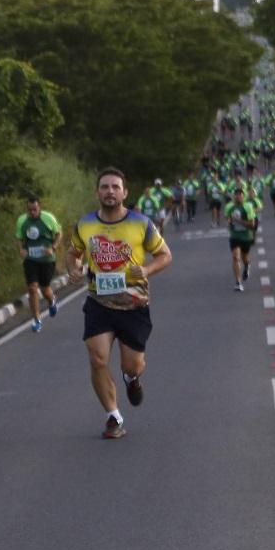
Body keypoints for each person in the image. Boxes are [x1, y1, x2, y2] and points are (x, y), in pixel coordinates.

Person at [68, 167, 174, 439]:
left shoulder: (141, 223)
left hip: (133, 304)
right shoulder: (85, 224)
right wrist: (73, 269)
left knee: (133, 364)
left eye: (115, 187)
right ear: (97, 192)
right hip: (98, 302)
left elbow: (164, 255)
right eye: (105, 187)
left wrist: (148, 271)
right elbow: (74, 253)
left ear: (125, 193)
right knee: (98, 357)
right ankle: (113, 416)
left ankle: (132, 379)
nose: (110, 191)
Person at [16, 196, 61, 332]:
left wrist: (53, 247)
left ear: (39, 207)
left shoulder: (48, 218)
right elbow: (19, 237)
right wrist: (21, 249)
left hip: (47, 259)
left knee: (45, 288)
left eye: (35, 209)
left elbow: (59, 233)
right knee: (32, 288)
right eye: (30, 210)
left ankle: (51, 300)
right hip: (30, 259)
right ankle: (37, 320)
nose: (32, 212)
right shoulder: (22, 220)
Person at [224, 186, 260, 291]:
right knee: (236, 257)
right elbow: (228, 219)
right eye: (236, 195)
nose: (238, 197)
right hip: (234, 236)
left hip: (245, 235)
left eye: (240, 195)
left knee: (245, 257)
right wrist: (230, 223)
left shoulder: (248, 207)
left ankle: (247, 266)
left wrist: (239, 221)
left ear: (243, 197)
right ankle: (238, 282)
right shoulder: (229, 207)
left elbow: (252, 224)